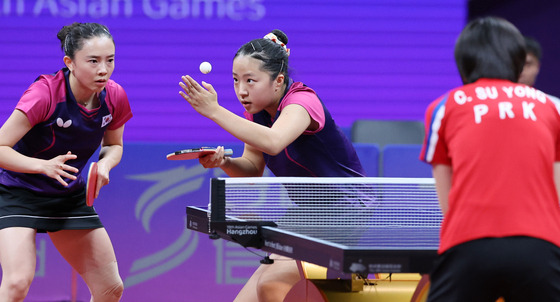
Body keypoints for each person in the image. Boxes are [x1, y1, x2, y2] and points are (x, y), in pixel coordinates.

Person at [179, 29, 365, 301]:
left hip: (347, 213)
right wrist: (225, 162)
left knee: (271, 284)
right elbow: (252, 169)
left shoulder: (303, 103)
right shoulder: (257, 114)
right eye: (235, 80)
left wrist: (214, 111)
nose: (241, 90)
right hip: (307, 215)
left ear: (278, 80)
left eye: (250, 80)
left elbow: (274, 142)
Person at [420, 17, 560, 301]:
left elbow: (447, 202)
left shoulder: (444, 106)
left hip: (468, 246)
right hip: (540, 248)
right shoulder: (549, 106)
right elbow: (556, 189)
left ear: (465, 59)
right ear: (517, 59)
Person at [0, 22, 132, 302]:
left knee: (110, 287)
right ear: (69, 63)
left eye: (110, 60)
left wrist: (105, 166)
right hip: (16, 192)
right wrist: (42, 166)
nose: (103, 69)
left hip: (67, 195)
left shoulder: (115, 96)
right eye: (93, 61)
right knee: (16, 283)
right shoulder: (45, 94)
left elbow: (114, 145)